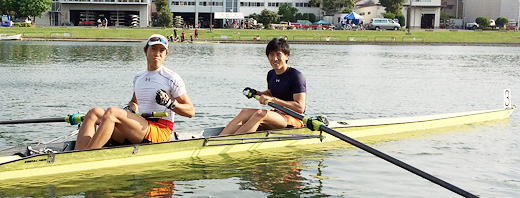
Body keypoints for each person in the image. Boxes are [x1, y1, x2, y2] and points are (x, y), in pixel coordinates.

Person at [74, 34, 195, 150]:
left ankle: (87, 156)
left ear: (166, 54)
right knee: (93, 113)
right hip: (140, 127)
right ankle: (76, 154)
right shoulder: (139, 77)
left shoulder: (172, 78)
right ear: (145, 50)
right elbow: (134, 102)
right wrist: (130, 109)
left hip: (160, 131)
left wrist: (169, 103)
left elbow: (190, 111)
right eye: (153, 49)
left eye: (161, 50)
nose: (157, 54)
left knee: (112, 112)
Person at [219, 38, 306, 135]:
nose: (275, 59)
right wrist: (256, 93)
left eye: (278, 54)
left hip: (294, 118)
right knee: (245, 112)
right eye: (271, 55)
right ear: (268, 57)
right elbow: (271, 93)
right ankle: (218, 139)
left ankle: (230, 143)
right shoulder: (271, 74)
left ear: (286, 56)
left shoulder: (296, 76)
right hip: (278, 114)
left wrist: (273, 100)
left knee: (260, 114)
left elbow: (300, 107)